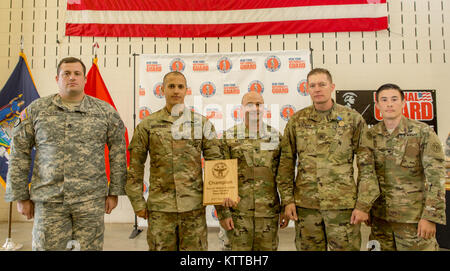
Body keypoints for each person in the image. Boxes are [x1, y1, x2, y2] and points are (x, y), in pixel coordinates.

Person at [4, 57, 127, 251]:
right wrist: (20, 196)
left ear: (85, 79)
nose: (72, 77)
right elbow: (19, 153)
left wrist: (115, 192)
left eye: (77, 73)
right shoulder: (36, 111)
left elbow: (118, 152)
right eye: (66, 73)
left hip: (90, 200)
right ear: (57, 78)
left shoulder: (105, 112)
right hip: (49, 200)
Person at [276, 68, 380, 251]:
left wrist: (364, 204)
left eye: (322, 84)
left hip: (343, 207)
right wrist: (287, 200)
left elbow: (367, 166)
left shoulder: (352, 119)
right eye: (312, 85)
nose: (317, 89)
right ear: (307, 89)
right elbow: (286, 163)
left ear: (332, 87)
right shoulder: (297, 121)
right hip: (306, 207)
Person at [125, 71, 224, 251]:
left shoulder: (201, 124)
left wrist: (222, 209)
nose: (176, 91)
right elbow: (135, 167)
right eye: (171, 86)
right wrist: (138, 202)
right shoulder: (147, 125)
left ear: (186, 90)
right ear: (163, 90)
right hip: (161, 211)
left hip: (193, 209)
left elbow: (216, 165)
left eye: (180, 86)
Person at [368, 83, 446, 251]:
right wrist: (365, 208)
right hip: (380, 221)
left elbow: (436, 178)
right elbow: (366, 176)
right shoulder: (371, 135)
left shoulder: (422, 132)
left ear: (403, 103)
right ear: (377, 105)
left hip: (413, 221)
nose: (389, 104)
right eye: (384, 100)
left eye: (394, 99)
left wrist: (431, 216)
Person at [216, 91, 288, 251]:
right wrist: (223, 214)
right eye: (250, 104)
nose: (255, 108)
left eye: (258, 104)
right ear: (242, 109)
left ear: (264, 108)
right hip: (238, 214)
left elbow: (283, 176)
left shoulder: (275, 137)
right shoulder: (229, 137)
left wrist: (285, 207)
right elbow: (220, 179)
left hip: (267, 214)